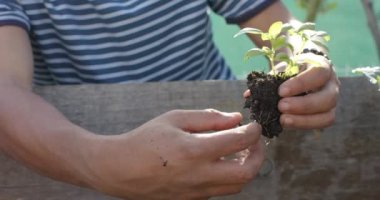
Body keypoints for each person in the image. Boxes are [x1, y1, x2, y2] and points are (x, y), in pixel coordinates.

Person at [0, 0, 339, 199]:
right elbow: (5, 90)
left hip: (225, 139)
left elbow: (279, 23)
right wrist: (105, 164)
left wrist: (307, 57)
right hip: (80, 158)